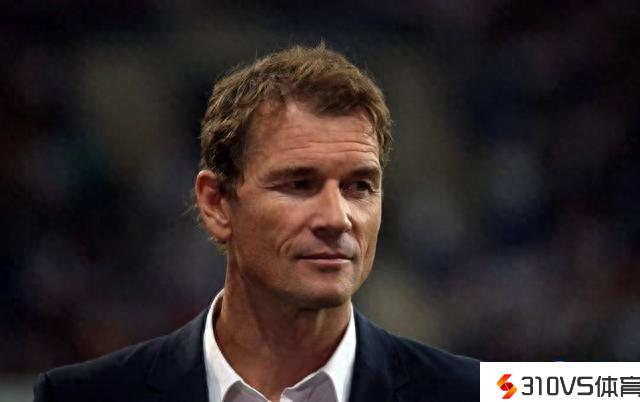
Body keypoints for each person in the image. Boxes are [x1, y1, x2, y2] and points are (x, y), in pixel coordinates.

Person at [33, 44, 478, 402]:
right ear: (216, 204)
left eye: (359, 186)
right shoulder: (82, 396)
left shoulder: (479, 393)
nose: (336, 218)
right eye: (299, 184)